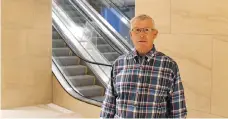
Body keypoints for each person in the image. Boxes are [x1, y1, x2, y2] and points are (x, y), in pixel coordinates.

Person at [100, 14, 187, 118]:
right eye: (137, 30)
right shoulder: (119, 63)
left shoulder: (169, 65)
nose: (141, 35)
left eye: (146, 30)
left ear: (154, 34)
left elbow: (178, 111)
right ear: (131, 34)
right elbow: (109, 106)